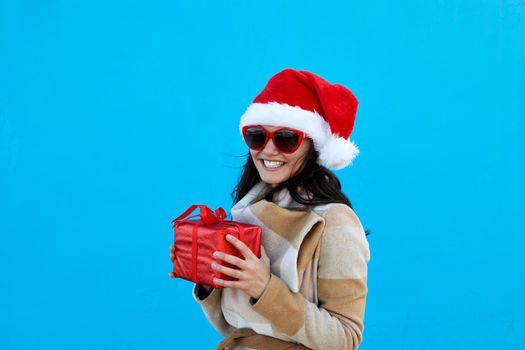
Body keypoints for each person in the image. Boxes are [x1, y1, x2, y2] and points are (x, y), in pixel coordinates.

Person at [170, 68, 371, 349]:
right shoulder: (252, 210)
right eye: (257, 136)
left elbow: (345, 339)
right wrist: (207, 276)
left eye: (286, 138)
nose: (268, 150)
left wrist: (265, 288)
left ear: (312, 145)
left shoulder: (334, 221)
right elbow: (238, 327)